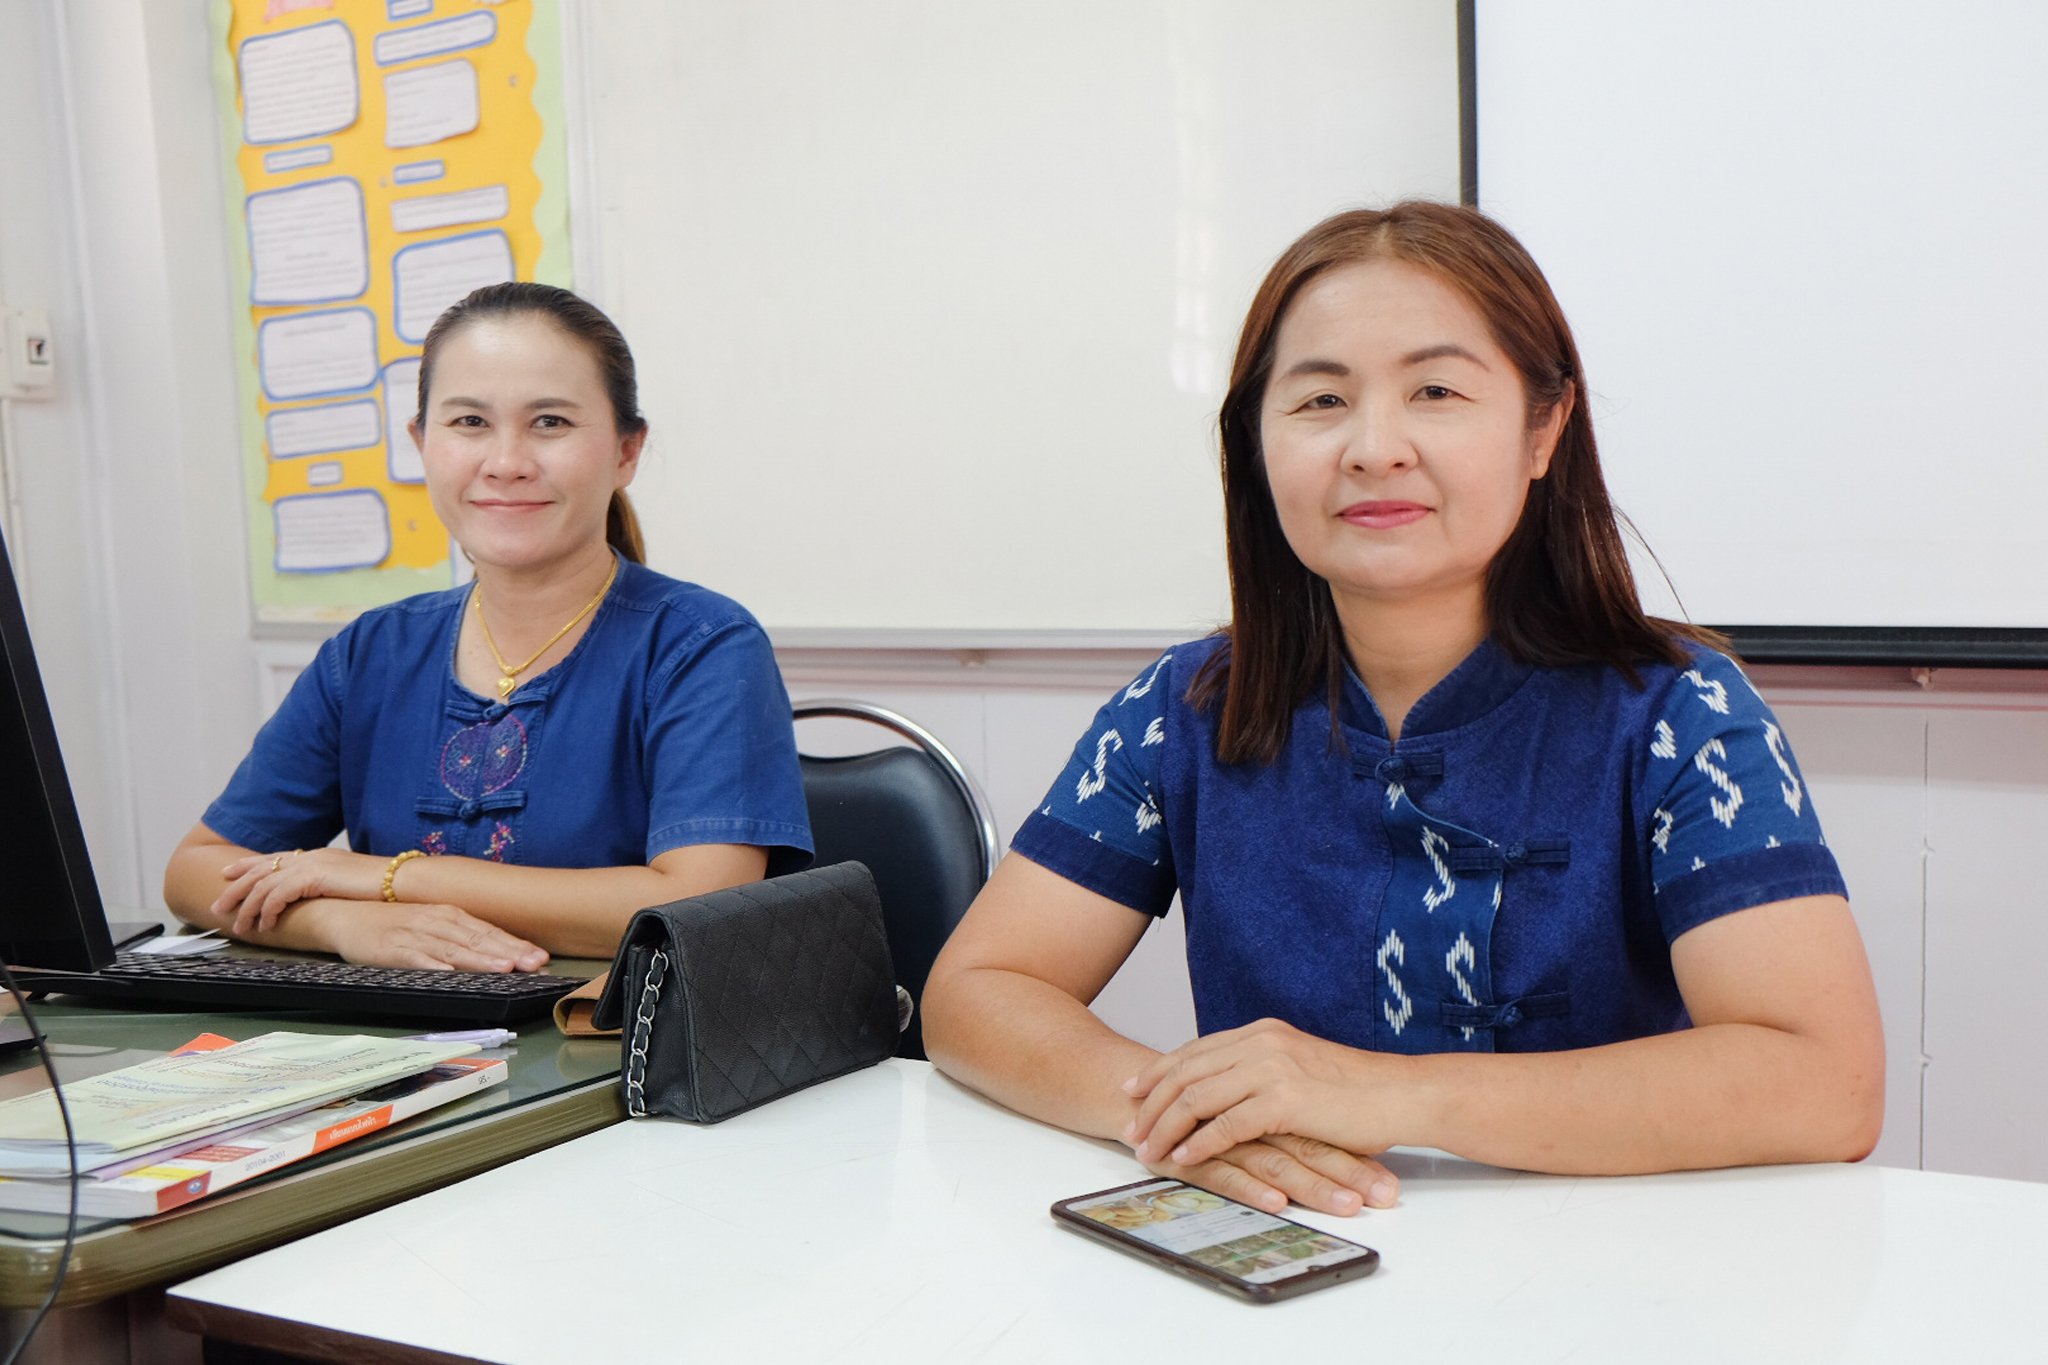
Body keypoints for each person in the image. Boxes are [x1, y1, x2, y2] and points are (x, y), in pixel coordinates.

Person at [921, 203, 1884, 1220]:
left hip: (1603, 1267)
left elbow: (1825, 1084)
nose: (1373, 448)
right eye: (1319, 400)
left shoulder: (1677, 712)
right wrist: (1178, 1118)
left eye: (1433, 390)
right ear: (1254, 443)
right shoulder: (1183, 707)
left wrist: (1379, 1092)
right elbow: (976, 992)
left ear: (1541, 427)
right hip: (1301, 1262)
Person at [164, 283, 811, 970]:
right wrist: (343, 924)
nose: (506, 461)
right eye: (469, 422)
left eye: (551, 423)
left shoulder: (701, 645)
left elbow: (700, 902)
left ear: (626, 451)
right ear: (421, 442)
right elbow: (197, 871)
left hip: (612, 1048)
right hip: (394, 1038)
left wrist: (388, 877)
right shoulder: (371, 653)